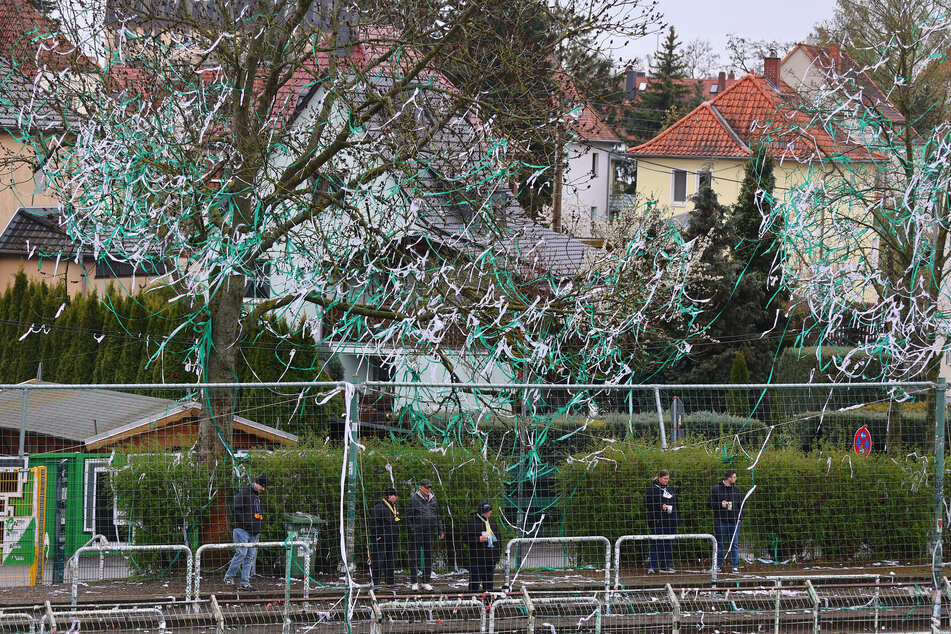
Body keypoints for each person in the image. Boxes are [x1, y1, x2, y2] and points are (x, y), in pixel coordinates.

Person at [225, 473, 267, 589]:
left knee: (249, 557)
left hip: (254, 531)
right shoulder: (244, 492)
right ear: (257, 483)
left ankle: (245, 581)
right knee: (241, 554)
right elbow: (235, 509)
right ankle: (229, 577)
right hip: (242, 530)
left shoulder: (258, 496)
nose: (263, 489)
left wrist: (258, 526)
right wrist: (246, 523)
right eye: (262, 486)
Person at [407, 478, 444, 591]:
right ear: (420, 487)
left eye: (430, 487)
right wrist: (412, 531)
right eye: (427, 487)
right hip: (417, 533)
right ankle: (414, 582)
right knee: (414, 557)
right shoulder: (414, 499)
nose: (429, 489)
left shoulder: (434, 499)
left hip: (430, 533)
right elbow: (409, 517)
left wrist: (440, 530)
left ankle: (425, 581)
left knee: (428, 557)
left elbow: (437, 516)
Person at [644, 469, 679, 574]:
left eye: (668, 479)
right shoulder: (652, 489)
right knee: (657, 543)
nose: (666, 481)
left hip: (671, 521)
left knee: (669, 544)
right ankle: (652, 566)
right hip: (658, 521)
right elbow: (647, 503)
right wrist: (660, 506)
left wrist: (677, 518)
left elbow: (676, 504)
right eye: (664, 478)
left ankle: (665, 566)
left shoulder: (671, 489)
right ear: (659, 478)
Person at [708, 469, 743, 572]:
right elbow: (709, 504)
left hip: (735, 522)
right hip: (721, 521)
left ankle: (735, 566)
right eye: (734, 477)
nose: (736, 479)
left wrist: (740, 518)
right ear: (729, 478)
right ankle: (717, 566)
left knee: (734, 544)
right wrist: (720, 504)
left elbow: (741, 505)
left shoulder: (736, 489)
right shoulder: (716, 489)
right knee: (719, 543)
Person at [464, 501, 501, 592]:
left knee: (489, 582)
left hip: (490, 557)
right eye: (489, 511)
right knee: (475, 581)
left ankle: (488, 601)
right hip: (477, 558)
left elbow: (498, 539)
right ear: (483, 512)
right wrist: (478, 539)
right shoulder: (472, 522)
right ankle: (472, 600)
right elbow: (465, 538)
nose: (491, 512)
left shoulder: (492, 522)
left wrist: (497, 555)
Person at [369, 486, 401, 586]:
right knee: (378, 561)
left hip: (392, 539)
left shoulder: (395, 507)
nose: (396, 497)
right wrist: (377, 535)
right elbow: (373, 523)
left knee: (391, 561)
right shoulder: (378, 507)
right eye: (394, 495)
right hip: (381, 539)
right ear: (388, 496)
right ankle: (376, 583)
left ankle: (390, 582)